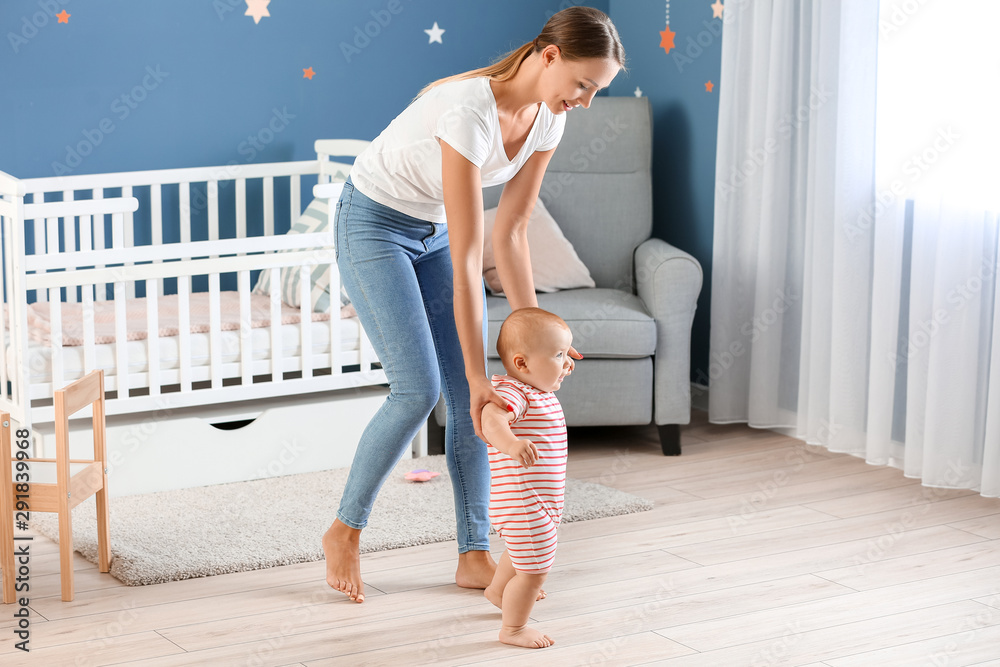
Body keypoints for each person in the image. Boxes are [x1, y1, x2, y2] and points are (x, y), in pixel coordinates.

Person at [322, 6, 625, 605]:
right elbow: (470, 259)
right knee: (422, 389)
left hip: (432, 229)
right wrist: (478, 370)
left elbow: (510, 231)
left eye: (598, 90)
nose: (586, 101)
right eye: (584, 85)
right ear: (550, 56)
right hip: (374, 222)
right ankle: (344, 529)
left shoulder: (548, 120)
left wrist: (542, 341)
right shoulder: (469, 111)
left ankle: (473, 554)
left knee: (472, 398)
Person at [481, 307, 572, 649]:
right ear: (522, 364)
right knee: (534, 571)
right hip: (524, 500)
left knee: (521, 553)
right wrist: (511, 443)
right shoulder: (513, 392)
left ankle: (497, 591)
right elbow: (492, 420)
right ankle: (514, 628)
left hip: (538, 499)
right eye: (559, 355)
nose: (567, 363)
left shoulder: (536, 389)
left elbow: (549, 368)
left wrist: (558, 360)